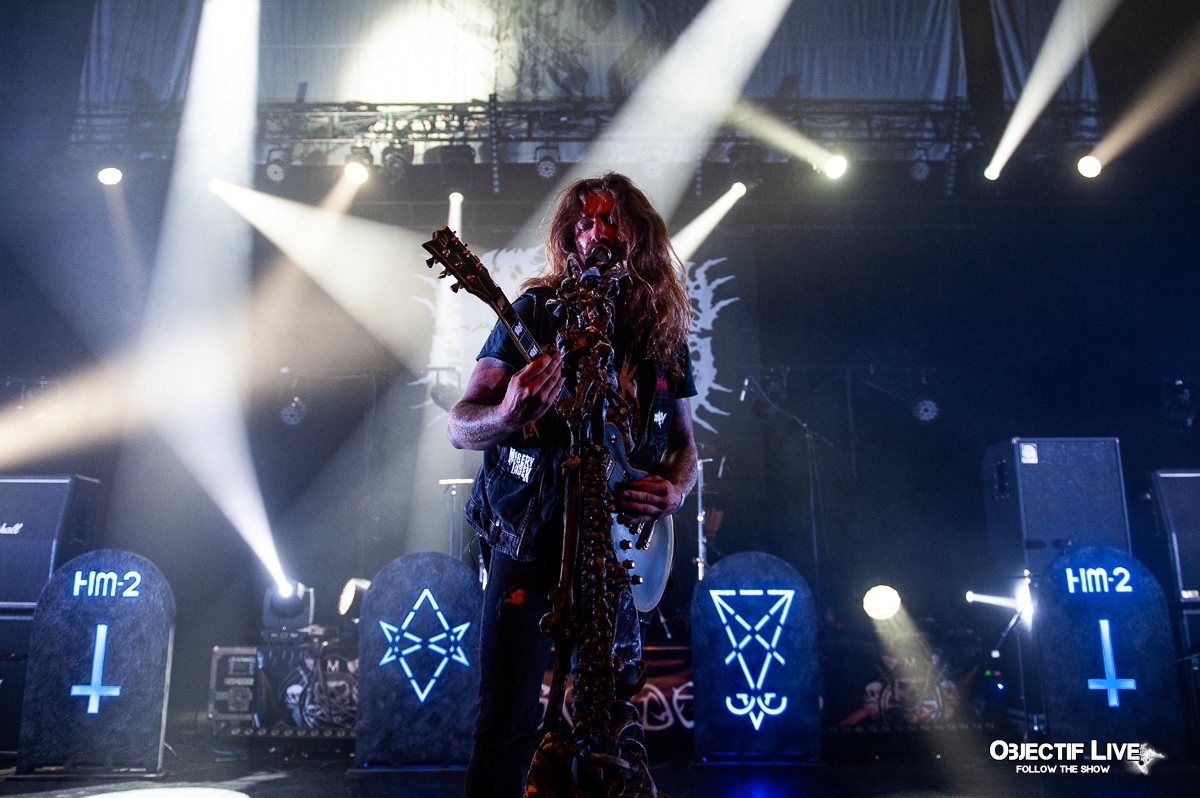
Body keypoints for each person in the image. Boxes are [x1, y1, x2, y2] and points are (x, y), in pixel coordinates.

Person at [448, 172, 698, 797]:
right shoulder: (534, 313)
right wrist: (508, 414)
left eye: (611, 219)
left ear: (638, 234)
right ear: (569, 238)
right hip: (531, 544)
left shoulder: (663, 334)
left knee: (609, 726)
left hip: (615, 551)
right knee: (505, 724)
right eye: (584, 223)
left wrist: (674, 488)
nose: (596, 233)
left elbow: (684, 445)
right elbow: (461, 424)